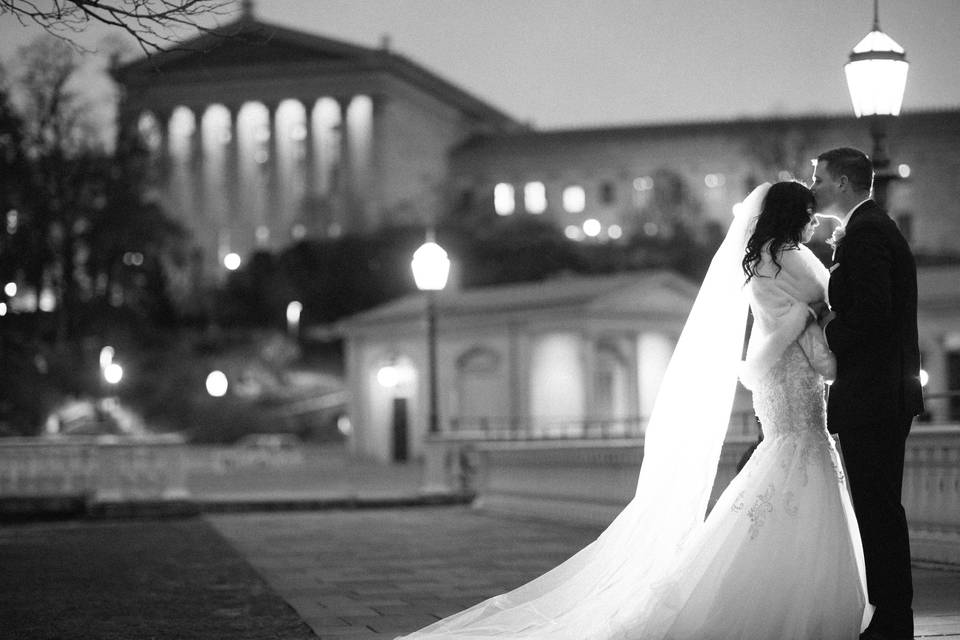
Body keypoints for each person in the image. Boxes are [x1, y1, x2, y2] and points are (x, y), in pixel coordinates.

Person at [396, 181, 872, 640]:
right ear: (796, 217)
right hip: (795, 364)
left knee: (782, 454)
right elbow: (834, 295)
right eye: (809, 217)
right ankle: (794, 597)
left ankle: (745, 585)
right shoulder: (793, 256)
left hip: (771, 370)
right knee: (803, 450)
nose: (813, 225)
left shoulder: (757, 258)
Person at [812, 147, 924, 640]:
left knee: (877, 511)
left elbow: (875, 312)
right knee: (879, 509)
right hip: (879, 394)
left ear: (842, 182)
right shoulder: (869, 228)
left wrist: (825, 334)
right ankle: (890, 616)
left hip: (874, 396)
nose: (812, 186)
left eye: (819, 178)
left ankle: (891, 620)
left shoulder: (867, 233)